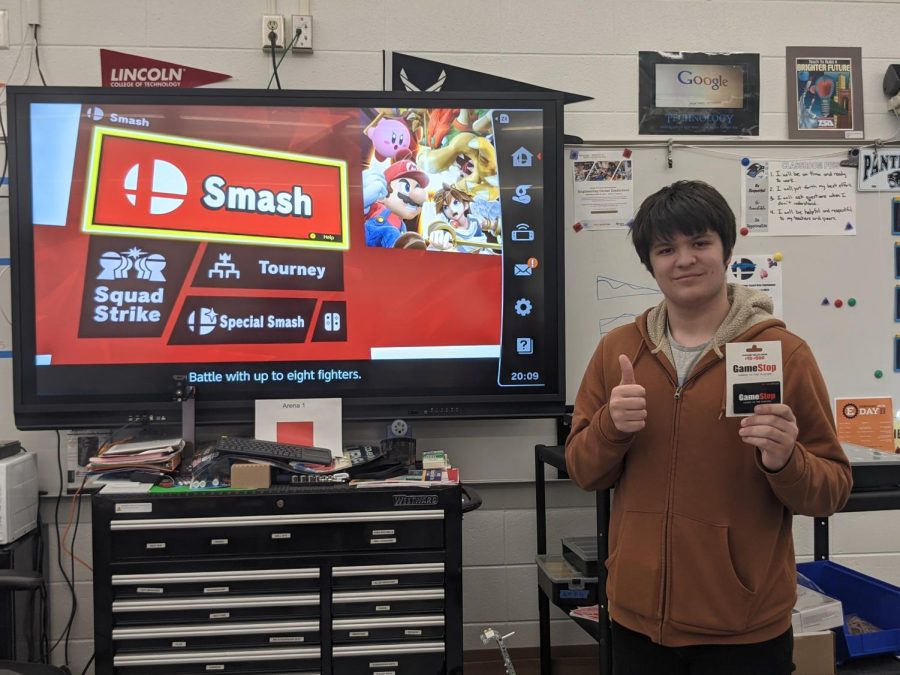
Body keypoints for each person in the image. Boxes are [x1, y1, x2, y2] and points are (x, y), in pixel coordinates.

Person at [565, 180, 852, 675]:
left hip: (744, 630)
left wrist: (787, 461)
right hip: (635, 622)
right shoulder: (619, 353)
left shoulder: (784, 354)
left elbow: (830, 492)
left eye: (700, 243)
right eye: (666, 249)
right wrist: (611, 428)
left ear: (726, 248)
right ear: (650, 264)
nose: (685, 260)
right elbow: (582, 471)